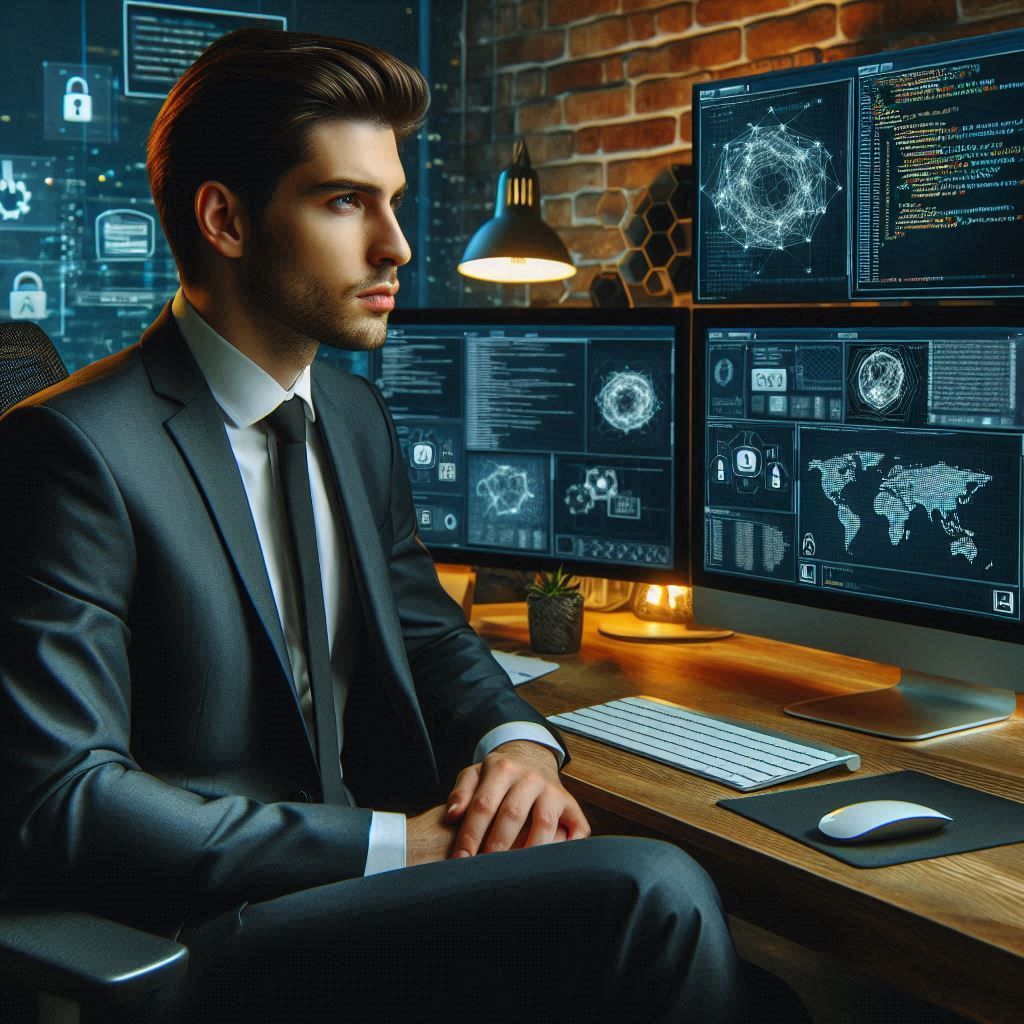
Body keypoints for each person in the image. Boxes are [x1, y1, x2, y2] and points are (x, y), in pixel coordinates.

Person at [0, 28, 742, 1022]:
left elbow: (426, 626)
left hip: (358, 895)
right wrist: (403, 845)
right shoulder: (70, 449)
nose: (393, 242)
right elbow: (67, 798)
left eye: (390, 199)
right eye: (346, 200)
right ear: (223, 217)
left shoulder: (349, 415)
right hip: (201, 938)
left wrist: (517, 745)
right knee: (651, 894)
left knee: (765, 989)